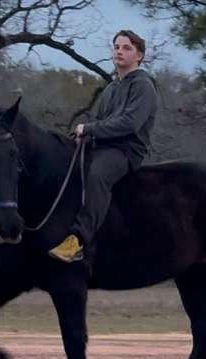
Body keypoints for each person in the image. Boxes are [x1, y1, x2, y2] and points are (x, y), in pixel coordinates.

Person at [48, 29, 158, 262]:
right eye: (117, 46)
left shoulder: (143, 85)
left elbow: (130, 123)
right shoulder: (111, 88)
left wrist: (88, 129)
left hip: (125, 150)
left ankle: (78, 240)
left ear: (139, 56)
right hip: (102, 145)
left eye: (127, 48)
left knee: (97, 174)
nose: (119, 51)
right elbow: (101, 121)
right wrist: (82, 137)